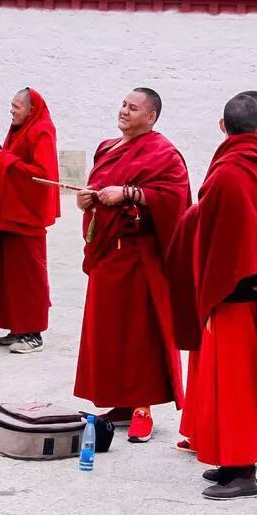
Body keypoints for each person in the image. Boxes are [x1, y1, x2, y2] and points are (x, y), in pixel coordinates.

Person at [166, 93, 257, 501]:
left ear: (222, 126)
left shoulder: (229, 171)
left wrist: (210, 290)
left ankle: (244, 472)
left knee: (238, 384)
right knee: (240, 381)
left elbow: (217, 236)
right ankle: (230, 461)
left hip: (233, 292)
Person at [74, 88, 191, 443]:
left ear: (151, 117)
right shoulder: (107, 148)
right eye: (123, 104)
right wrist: (86, 202)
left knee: (140, 333)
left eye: (133, 108)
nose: (123, 111)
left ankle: (143, 407)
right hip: (108, 255)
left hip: (140, 256)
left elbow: (176, 197)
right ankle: (121, 401)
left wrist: (128, 193)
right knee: (108, 331)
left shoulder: (164, 153)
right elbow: (96, 193)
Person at [0, 88, 60, 353]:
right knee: (7, 275)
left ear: (31, 110)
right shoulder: (20, 129)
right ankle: (16, 327)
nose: (12, 110)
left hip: (27, 216)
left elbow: (43, 175)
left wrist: (6, 161)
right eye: (11, 105)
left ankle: (33, 334)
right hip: (8, 213)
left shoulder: (41, 130)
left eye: (17, 106)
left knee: (28, 277)